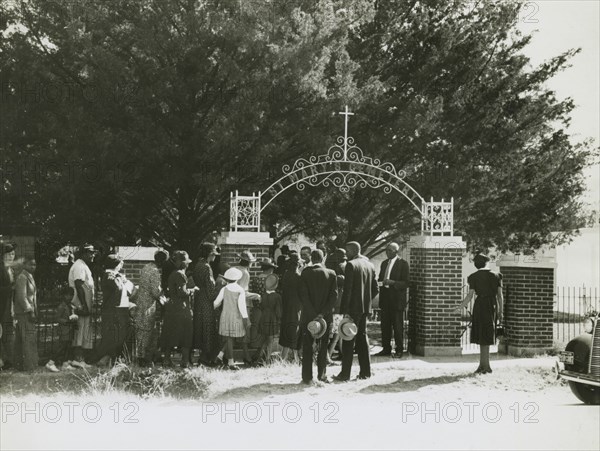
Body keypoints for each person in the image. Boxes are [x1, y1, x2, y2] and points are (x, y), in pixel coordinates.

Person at [334, 241, 379, 382]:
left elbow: (348, 290)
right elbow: (375, 289)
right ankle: (366, 372)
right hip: (365, 308)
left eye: (347, 252)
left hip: (353, 309)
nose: (346, 255)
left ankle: (345, 374)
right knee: (362, 338)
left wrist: (345, 311)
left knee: (348, 339)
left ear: (353, 251)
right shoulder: (370, 265)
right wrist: (366, 302)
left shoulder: (351, 265)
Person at [454, 254, 503, 374]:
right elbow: (500, 296)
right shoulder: (497, 275)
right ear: (487, 262)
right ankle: (484, 365)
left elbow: (470, 295)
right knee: (488, 332)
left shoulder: (473, 277)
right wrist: (500, 310)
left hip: (480, 304)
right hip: (492, 305)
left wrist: (460, 307)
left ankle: (484, 366)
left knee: (482, 333)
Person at [299, 249, 338, 383]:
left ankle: (307, 377)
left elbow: (303, 296)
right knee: (323, 347)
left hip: (308, 316)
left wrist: (313, 314)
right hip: (325, 317)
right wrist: (322, 314)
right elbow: (334, 297)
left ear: (311, 258)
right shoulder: (331, 273)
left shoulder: (305, 273)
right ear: (323, 258)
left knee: (307, 346)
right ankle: (322, 375)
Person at [96, 255, 137, 367]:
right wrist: (121, 280)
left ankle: (115, 358)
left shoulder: (116, 276)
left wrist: (124, 280)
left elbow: (131, 290)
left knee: (120, 335)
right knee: (112, 335)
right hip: (112, 310)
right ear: (116, 264)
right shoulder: (109, 276)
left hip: (120, 309)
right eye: (120, 264)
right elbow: (118, 288)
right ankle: (106, 358)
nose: (121, 266)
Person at [162, 251, 198, 368]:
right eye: (187, 262)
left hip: (172, 309)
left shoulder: (173, 273)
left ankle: (166, 360)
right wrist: (193, 290)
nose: (188, 264)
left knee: (170, 334)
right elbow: (182, 292)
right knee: (186, 335)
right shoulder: (180, 274)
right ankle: (185, 361)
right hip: (182, 309)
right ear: (183, 263)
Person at [133, 249, 168, 366]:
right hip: (148, 305)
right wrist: (165, 299)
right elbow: (155, 291)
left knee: (141, 330)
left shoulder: (146, 267)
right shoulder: (154, 271)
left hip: (141, 302)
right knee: (146, 331)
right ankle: (142, 358)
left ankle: (140, 355)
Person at [375, 242, 409, 358]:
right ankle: (386, 349)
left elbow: (406, 283)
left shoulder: (403, 264)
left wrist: (393, 283)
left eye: (390, 250)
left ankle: (399, 349)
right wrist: (379, 283)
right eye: (386, 250)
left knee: (397, 327)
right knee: (385, 326)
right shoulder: (384, 264)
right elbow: (380, 278)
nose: (387, 252)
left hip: (397, 301)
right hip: (385, 300)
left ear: (396, 251)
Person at [214, 267, 249, 371]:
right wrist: (246, 319)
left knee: (229, 337)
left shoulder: (224, 289)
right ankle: (230, 362)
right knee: (231, 337)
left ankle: (220, 355)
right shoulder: (240, 290)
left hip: (225, 315)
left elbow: (216, 303)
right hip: (236, 316)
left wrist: (213, 307)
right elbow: (242, 307)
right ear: (238, 279)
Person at [192, 243, 222, 366]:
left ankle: (203, 357)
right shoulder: (206, 267)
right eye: (214, 254)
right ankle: (205, 358)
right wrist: (220, 285)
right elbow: (211, 289)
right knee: (208, 329)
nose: (215, 257)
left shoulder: (197, 265)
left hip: (199, 300)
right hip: (206, 302)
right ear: (210, 254)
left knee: (201, 329)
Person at [68, 244, 97, 368]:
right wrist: (84, 305)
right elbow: (79, 285)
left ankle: (80, 359)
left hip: (84, 304)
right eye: (90, 253)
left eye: (93, 253)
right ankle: (77, 359)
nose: (92, 255)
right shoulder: (79, 266)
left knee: (84, 331)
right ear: (83, 254)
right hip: (80, 304)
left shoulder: (83, 265)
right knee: (79, 331)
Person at [232, 250, 259, 364]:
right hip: (242, 305)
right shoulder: (245, 273)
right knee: (245, 330)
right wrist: (256, 296)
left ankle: (223, 355)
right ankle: (246, 357)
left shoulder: (234, 270)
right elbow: (242, 292)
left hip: (232, 303)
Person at [13, 256, 39, 372]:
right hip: (24, 313)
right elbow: (22, 297)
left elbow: (31, 296)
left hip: (27, 312)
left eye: (34, 265)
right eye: (30, 265)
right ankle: (29, 366)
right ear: (24, 265)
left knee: (24, 339)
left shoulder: (29, 277)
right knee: (28, 339)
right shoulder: (22, 277)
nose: (33, 267)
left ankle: (22, 365)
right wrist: (30, 311)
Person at [46, 286, 78, 372]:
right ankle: (50, 363)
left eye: (72, 295)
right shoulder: (61, 306)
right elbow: (57, 318)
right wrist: (67, 320)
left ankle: (65, 364)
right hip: (63, 330)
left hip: (69, 330)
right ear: (64, 295)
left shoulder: (70, 306)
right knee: (61, 347)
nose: (70, 297)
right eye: (68, 295)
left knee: (67, 347)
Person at [251, 274, 281, 365]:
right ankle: (267, 359)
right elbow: (278, 311)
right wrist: (279, 319)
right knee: (270, 340)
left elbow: (261, 306)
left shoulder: (263, 295)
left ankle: (259, 358)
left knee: (264, 339)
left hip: (263, 317)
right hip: (272, 318)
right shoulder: (277, 296)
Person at [279, 252, 303, 362]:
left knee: (287, 330)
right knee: (294, 330)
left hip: (286, 306)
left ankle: (288, 357)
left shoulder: (286, 275)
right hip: (296, 306)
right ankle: (289, 358)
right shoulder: (298, 277)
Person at [327, 248, 347, 362]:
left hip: (337, 307)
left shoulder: (337, 272)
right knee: (338, 331)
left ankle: (333, 353)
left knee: (337, 331)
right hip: (340, 306)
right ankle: (336, 353)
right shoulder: (343, 270)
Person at [0, 242, 17, 370]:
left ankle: (6, 359)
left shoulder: (11, 269)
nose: (11, 256)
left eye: (13, 254)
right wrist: (10, 288)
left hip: (8, 303)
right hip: (1, 302)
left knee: (6, 331)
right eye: (8, 254)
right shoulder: (1, 268)